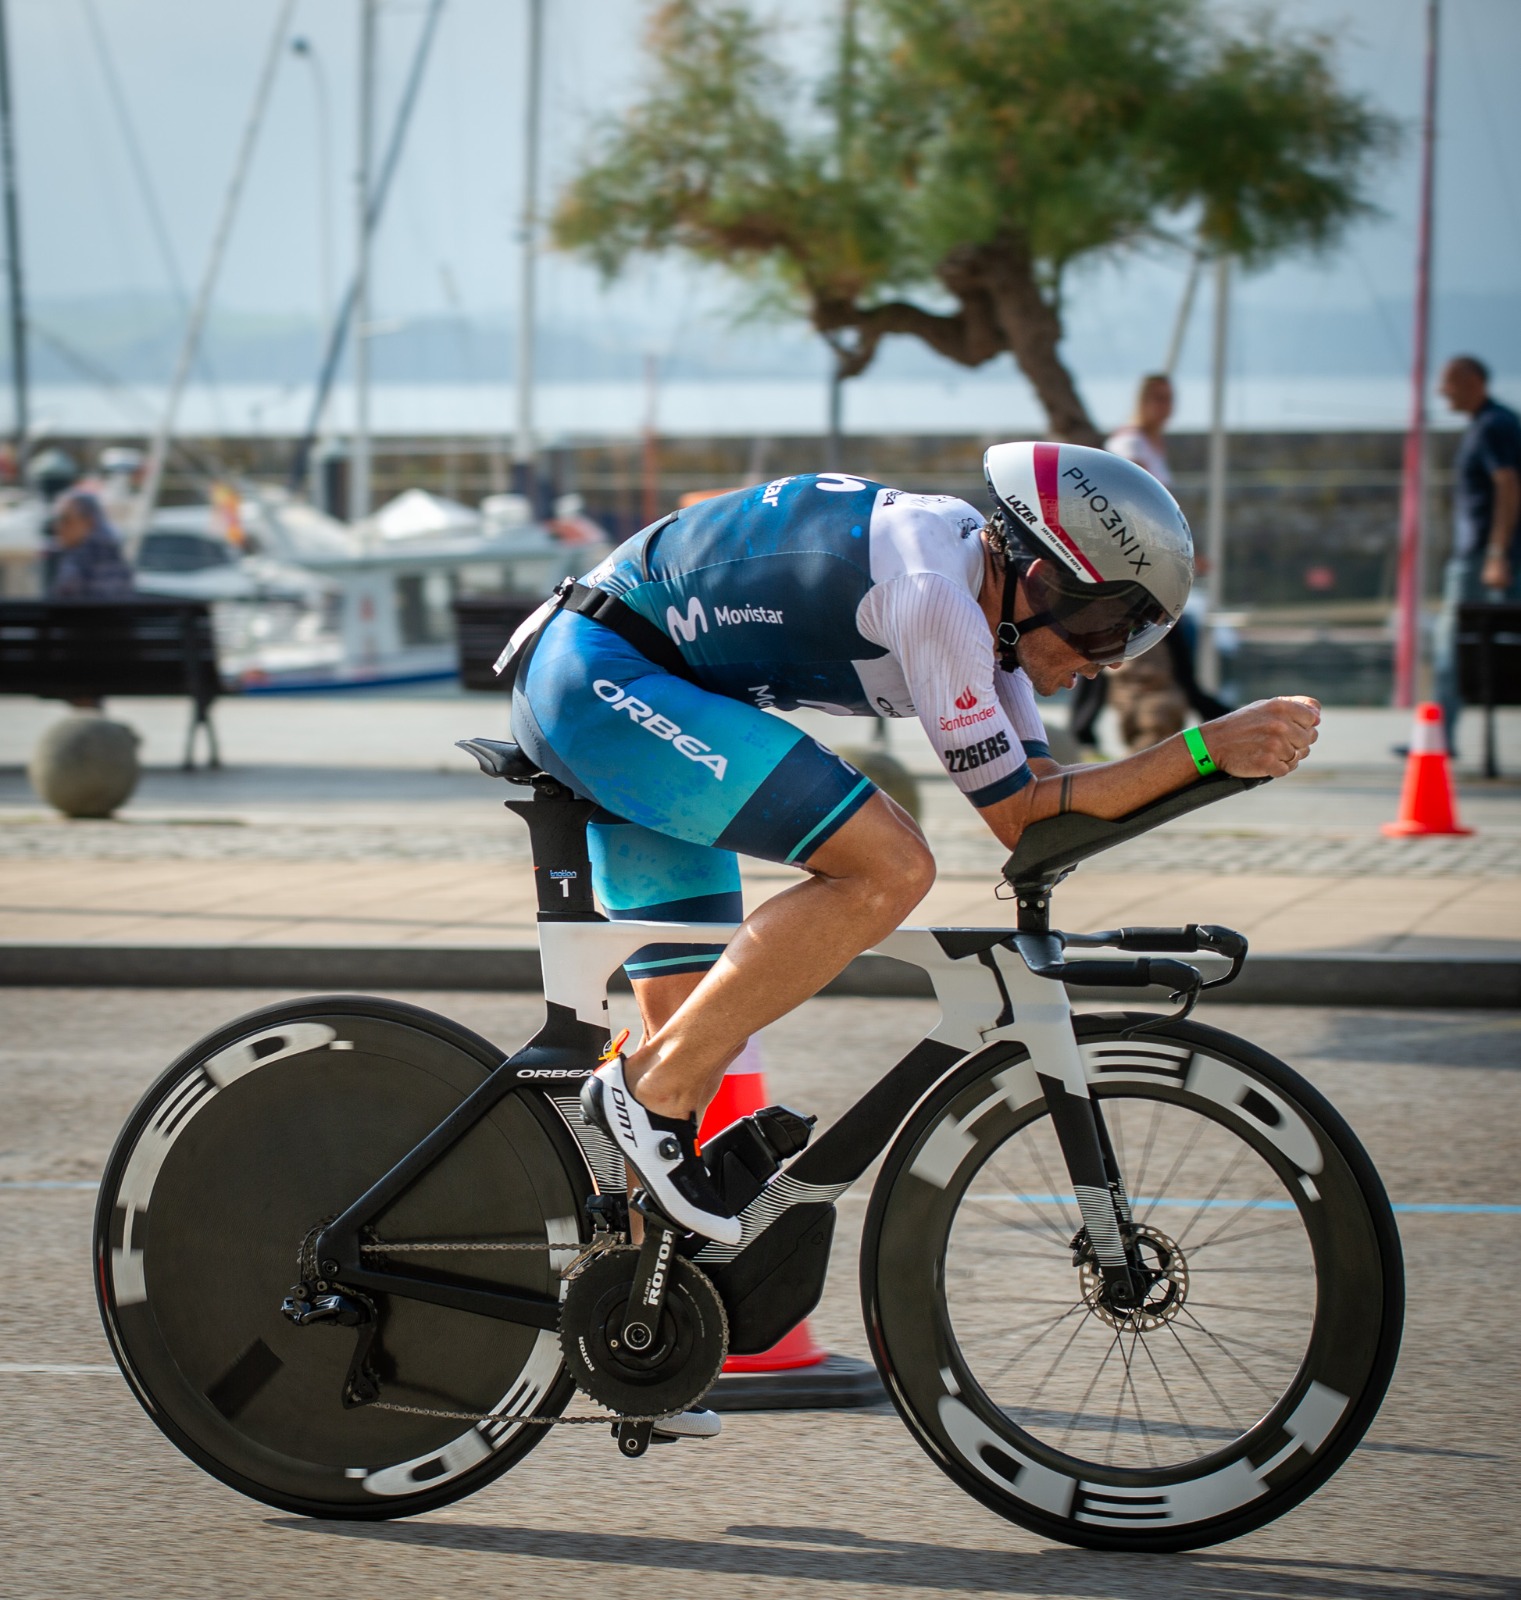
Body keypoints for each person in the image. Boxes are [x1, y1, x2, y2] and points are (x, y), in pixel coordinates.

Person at [502, 446, 1318, 1247]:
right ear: (1043, 582)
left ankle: (634, 1316)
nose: (1105, 664)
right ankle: (639, 1104)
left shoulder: (984, 597)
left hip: (626, 683)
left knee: (689, 1058)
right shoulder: (936, 596)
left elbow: (1047, 792)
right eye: (1107, 629)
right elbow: (1021, 817)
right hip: (602, 681)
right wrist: (1204, 748)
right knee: (888, 867)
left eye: (1132, 641)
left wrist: (1210, 765)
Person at [1082, 373, 1231, 755]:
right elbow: (1132, 506)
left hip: (1149, 562)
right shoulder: (1131, 443)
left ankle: (1087, 727)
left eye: (1169, 398)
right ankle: (1200, 705)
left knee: (1113, 645)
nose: (1165, 407)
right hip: (1136, 565)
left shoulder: (1152, 444)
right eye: (1158, 398)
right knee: (1130, 645)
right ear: (1143, 401)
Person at [1433, 355, 1521, 753]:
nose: (1441, 391)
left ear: (1472, 382)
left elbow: (1508, 486)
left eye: (1448, 382)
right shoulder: (1494, 423)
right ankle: (1440, 735)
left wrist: (1496, 553)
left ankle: (1438, 739)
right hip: (1486, 558)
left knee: (1453, 647)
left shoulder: (1493, 426)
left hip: (1482, 561)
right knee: (1465, 649)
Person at [48, 489, 135, 600]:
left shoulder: (90, 560)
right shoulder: (109, 553)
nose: (58, 528)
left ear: (90, 522)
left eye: (65, 520)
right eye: (56, 520)